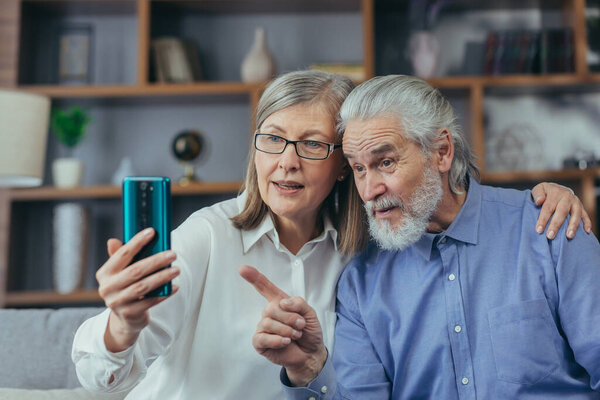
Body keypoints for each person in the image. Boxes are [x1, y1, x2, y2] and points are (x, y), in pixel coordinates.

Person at [72, 71, 586, 400]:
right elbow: (102, 378)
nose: (287, 161)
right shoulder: (211, 237)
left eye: (313, 145)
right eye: (272, 140)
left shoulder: (363, 252)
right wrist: (122, 323)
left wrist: (545, 196)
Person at [243, 75, 600, 399]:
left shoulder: (550, 230)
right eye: (358, 169)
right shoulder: (359, 286)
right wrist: (308, 369)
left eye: (385, 163)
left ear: (442, 151)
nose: (369, 190)